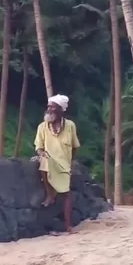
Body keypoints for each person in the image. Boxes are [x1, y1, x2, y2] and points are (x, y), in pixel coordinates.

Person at [34, 94, 81, 233]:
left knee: (66, 194)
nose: (49, 109)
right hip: (49, 160)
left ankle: (68, 225)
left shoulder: (70, 126)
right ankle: (50, 194)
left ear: (61, 110)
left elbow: (75, 146)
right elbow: (38, 146)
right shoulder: (42, 127)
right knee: (43, 161)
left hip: (64, 164)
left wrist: (71, 163)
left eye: (53, 107)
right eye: (48, 106)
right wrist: (41, 153)